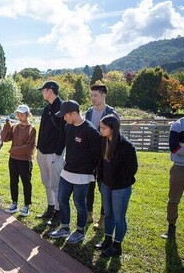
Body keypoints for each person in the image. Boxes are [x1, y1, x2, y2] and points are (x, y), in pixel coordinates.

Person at [49, 100, 101, 244]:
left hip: (83, 176)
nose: (63, 118)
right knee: (62, 199)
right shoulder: (68, 127)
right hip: (67, 172)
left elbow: (97, 157)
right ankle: (64, 228)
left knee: (79, 203)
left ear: (74, 113)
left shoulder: (91, 132)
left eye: (65, 115)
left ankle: (80, 231)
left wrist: (94, 175)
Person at [95, 115, 138, 257]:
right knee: (108, 214)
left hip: (121, 187)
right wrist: (100, 180)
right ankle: (107, 239)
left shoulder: (126, 146)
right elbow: (101, 162)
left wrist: (119, 179)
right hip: (106, 184)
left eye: (103, 128)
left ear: (112, 129)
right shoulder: (103, 140)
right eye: (100, 127)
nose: (100, 130)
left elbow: (133, 169)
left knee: (119, 217)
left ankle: (117, 245)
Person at [85, 83, 119, 229]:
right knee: (89, 185)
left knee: (104, 187)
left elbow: (115, 136)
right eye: (91, 95)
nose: (92, 98)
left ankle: (103, 218)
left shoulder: (111, 113)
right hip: (90, 155)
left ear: (103, 95)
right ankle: (88, 214)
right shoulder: (88, 113)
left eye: (95, 95)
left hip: (105, 156)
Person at [36, 80, 66, 226]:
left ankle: (58, 213)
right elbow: (42, 129)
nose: (42, 92)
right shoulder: (46, 108)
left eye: (43, 90)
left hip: (54, 153)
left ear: (50, 90)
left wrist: (58, 152)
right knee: (46, 182)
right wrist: (38, 148)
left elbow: (64, 133)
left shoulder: (62, 107)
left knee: (56, 184)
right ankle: (50, 207)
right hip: (42, 151)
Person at [2, 105, 36, 216]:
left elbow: (29, 147)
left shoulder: (32, 129)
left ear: (27, 115)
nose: (20, 116)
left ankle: (26, 205)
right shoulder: (15, 127)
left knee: (26, 183)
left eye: (22, 114)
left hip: (25, 161)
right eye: (18, 114)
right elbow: (4, 138)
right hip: (13, 160)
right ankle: (14, 203)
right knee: (13, 181)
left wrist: (13, 150)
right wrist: (7, 125)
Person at [161, 117, 184, 240]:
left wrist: (182, 145)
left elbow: (179, 148)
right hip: (179, 168)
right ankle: (171, 227)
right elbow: (174, 148)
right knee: (173, 199)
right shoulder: (177, 125)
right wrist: (179, 146)